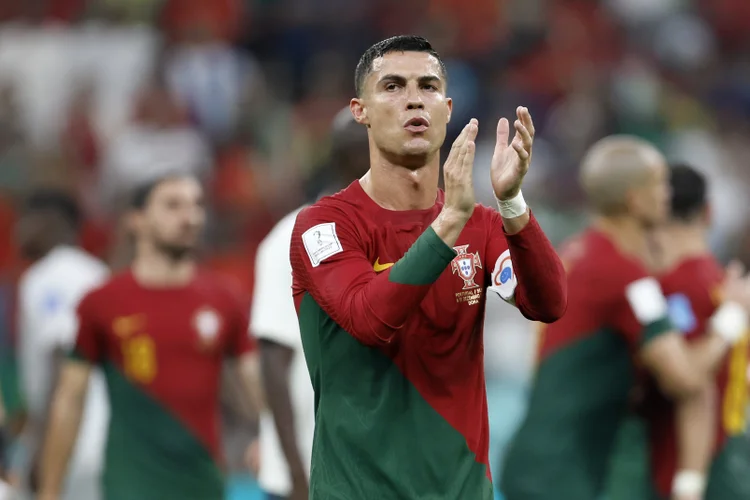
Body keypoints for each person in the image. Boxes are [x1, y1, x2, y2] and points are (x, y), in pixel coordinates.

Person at [289, 35, 568, 500]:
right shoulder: (324, 225)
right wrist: (449, 222)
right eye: (393, 86)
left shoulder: (481, 225)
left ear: (447, 107)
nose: (414, 98)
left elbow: (549, 303)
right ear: (360, 110)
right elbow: (370, 320)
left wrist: (511, 200)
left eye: (428, 86)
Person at [501, 137, 750, 500]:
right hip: (565, 474)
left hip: (543, 458)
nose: (668, 195)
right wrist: (731, 316)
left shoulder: (576, 252)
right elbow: (686, 377)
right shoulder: (626, 278)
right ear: (636, 199)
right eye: (660, 184)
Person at [37, 175, 262, 500]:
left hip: (204, 482)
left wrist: (268, 437)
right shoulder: (102, 303)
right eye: (173, 205)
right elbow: (70, 399)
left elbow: (252, 384)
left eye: (197, 205)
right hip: (130, 484)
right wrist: (50, 490)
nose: (190, 217)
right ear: (136, 220)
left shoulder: (225, 300)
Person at [253, 107, 370, 500]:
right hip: (309, 472)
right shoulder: (291, 236)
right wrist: (298, 476)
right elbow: (273, 362)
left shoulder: (394, 235)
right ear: (350, 156)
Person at [641, 164, 750, 499]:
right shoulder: (725, 284)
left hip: (682, 468)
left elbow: (689, 379)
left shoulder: (674, 287)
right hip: (732, 454)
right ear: (709, 212)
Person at [15, 190, 109, 500]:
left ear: (52, 222)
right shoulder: (97, 272)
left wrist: (42, 449)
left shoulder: (48, 276)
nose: (18, 229)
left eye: (26, 218)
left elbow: (64, 356)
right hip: (107, 439)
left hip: (72, 443)